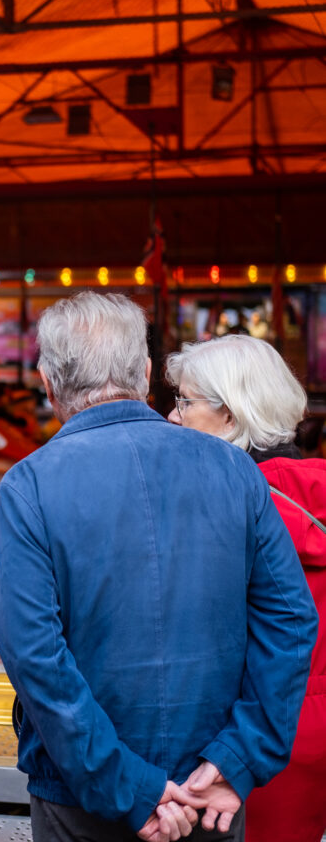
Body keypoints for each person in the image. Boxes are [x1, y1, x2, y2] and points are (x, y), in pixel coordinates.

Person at [0, 291, 317, 842]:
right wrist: (238, 758)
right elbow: (290, 621)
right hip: (205, 787)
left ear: (46, 383)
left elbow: (35, 655)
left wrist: (129, 786)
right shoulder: (235, 470)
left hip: (82, 796)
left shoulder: (29, 485)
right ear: (145, 373)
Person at [165, 334, 326, 842]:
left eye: (185, 401)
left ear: (230, 417)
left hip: (248, 741)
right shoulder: (316, 493)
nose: (173, 416)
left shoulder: (224, 514)